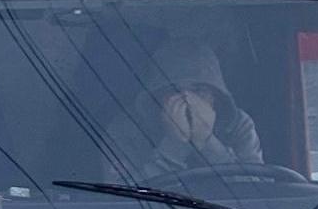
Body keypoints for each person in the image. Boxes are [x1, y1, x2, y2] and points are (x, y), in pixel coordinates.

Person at [112, 38, 264, 179]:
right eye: (174, 90)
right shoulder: (126, 130)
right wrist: (174, 145)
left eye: (198, 90)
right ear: (157, 97)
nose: (187, 99)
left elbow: (258, 194)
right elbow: (120, 201)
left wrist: (207, 143)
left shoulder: (237, 125)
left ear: (215, 95)